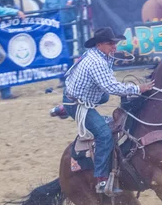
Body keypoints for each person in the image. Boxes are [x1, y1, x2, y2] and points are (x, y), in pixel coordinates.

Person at [57, 27, 154, 195]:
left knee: (104, 98)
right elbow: (111, 86)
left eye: (115, 43)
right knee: (104, 134)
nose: (114, 47)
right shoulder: (97, 62)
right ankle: (101, 180)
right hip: (78, 104)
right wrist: (138, 88)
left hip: (77, 94)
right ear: (100, 44)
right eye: (111, 44)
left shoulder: (100, 55)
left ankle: (63, 107)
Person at [43, 0, 76, 87]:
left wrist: (72, 2)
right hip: (55, 29)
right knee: (58, 52)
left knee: (69, 51)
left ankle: (71, 77)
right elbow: (44, 12)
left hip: (67, 25)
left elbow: (77, 1)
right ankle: (62, 78)